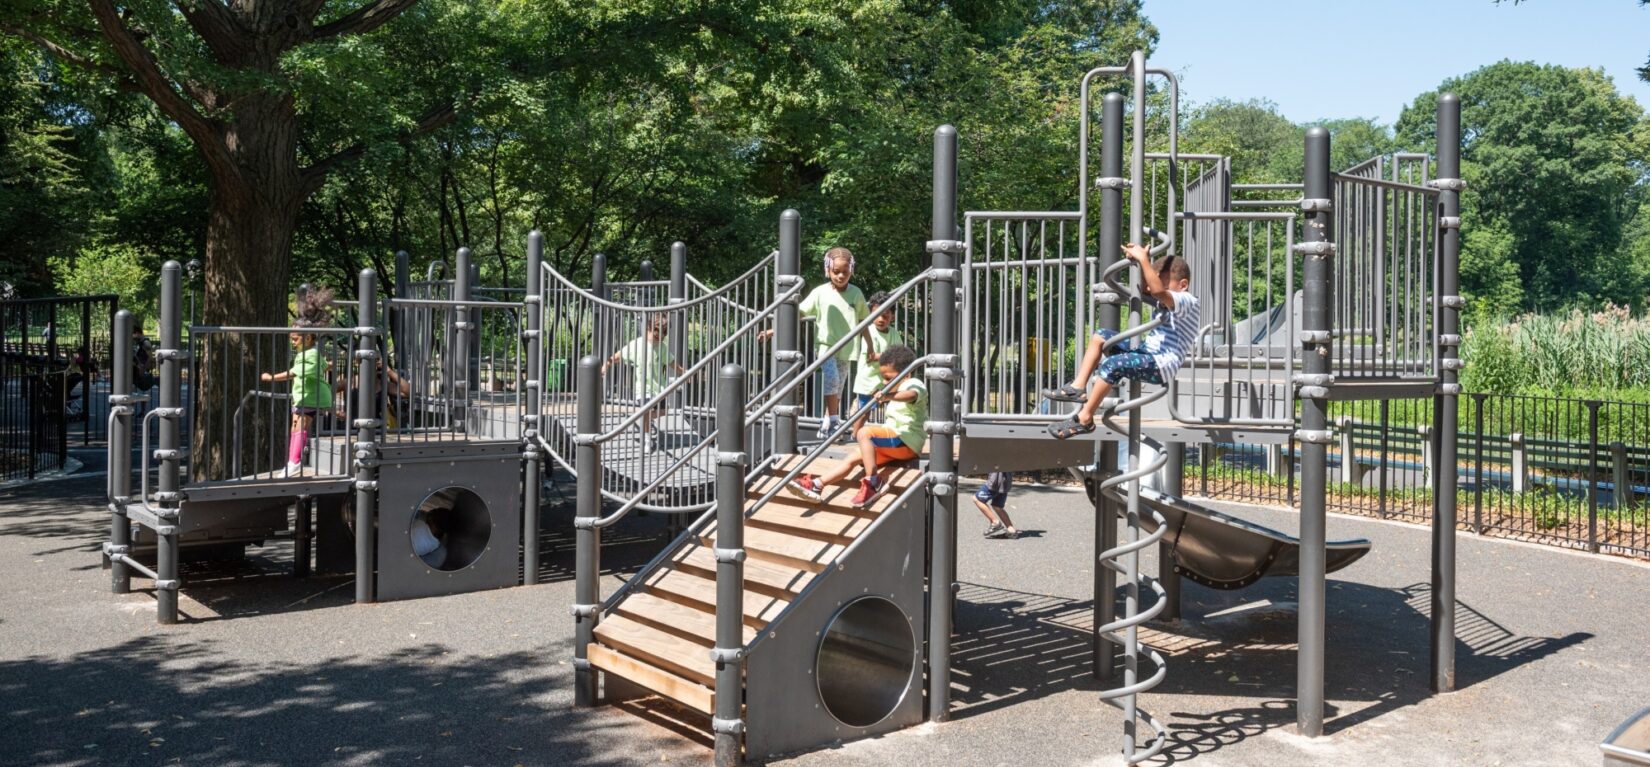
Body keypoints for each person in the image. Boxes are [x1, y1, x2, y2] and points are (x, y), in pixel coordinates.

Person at [1045, 244, 1200, 439]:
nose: (1154, 288)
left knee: (1113, 364)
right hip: (1147, 353)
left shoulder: (1188, 301)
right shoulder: (1166, 297)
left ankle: (1085, 418)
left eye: (1163, 282)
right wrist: (1140, 261)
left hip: (1161, 364)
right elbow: (1148, 288)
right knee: (1100, 336)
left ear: (1183, 284)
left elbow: (1159, 292)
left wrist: (1144, 261)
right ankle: (1077, 387)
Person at [787, 344, 926, 509]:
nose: (884, 382)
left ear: (906, 375)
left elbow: (911, 395)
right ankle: (818, 484)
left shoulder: (913, 383)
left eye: (888, 378)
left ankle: (874, 482)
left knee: (864, 433)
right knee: (853, 457)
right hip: (894, 443)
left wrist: (887, 396)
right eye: (882, 377)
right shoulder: (897, 388)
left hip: (907, 441)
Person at [761, 247, 870, 440]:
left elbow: (864, 321)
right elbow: (800, 314)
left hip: (847, 348)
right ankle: (835, 420)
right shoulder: (820, 292)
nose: (840, 276)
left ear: (851, 270)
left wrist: (869, 346)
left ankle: (827, 423)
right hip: (826, 346)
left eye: (845, 272)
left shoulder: (856, 293)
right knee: (832, 378)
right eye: (836, 272)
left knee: (839, 387)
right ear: (827, 270)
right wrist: (772, 330)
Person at [261, 287, 334, 476]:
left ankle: (294, 462)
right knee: (296, 427)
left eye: (295, 339)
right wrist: (328, 366)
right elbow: (322, 366)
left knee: (299, 427)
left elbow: (295, 372)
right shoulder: (309, 353)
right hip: (303, 397)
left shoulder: (310, 354)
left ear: (308, 337)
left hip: (311, 397)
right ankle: (293, 461)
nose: (292, 343)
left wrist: (271, 377)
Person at [604, 314, 685, 452]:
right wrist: (606, 365)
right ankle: (647, 441)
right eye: (655, 336)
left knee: (664, 411)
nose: (658, 340)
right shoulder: (636, 345)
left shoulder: (662, 348)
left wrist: (682, 371)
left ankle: (643, 417)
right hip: (642, 388)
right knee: (646, 411)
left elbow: (671, 362)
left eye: (661, 338)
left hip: (659, 388)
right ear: (648, 329)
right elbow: (618, 356)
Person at [850, 290, 902, 428]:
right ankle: (856, 433)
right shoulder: (870, 332)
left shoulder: (894, 333)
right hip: (868, 380)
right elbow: (871, 356)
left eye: (885, 316)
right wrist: (890, 357)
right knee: (864, 411)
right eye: (877, 315)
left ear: (893, 317)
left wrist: (890, 357)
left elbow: (900, 354)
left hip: (884, 380)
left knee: (893, 405)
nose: (880, 319)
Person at [973, 472, 1020, 539]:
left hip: (996, 481)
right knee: (997, 506)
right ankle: (1011, 530)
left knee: (977, 499)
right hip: (1005, 482)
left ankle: (995, 522)